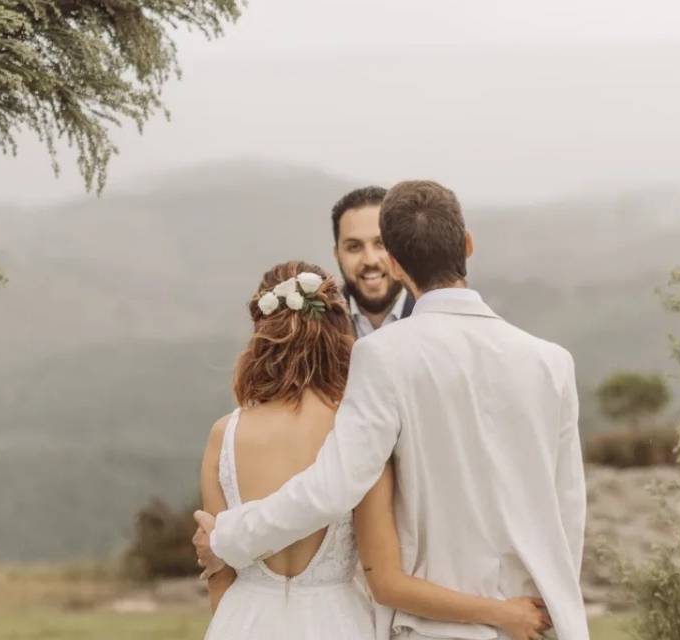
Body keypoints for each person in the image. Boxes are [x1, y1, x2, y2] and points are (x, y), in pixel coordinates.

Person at [195, 181, 590, 640]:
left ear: (397, 265)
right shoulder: (553, 362)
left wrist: (226, 538)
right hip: (538, 624)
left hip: (435, 629)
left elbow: (332, 488)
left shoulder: (382, 356)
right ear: (468, 243)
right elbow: (568, 511)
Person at [331, 187, 415, 337]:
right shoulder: (319, 325)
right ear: (337, 255)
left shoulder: (437, 322)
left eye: (382, 243)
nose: (370, 260)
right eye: (354, 247)